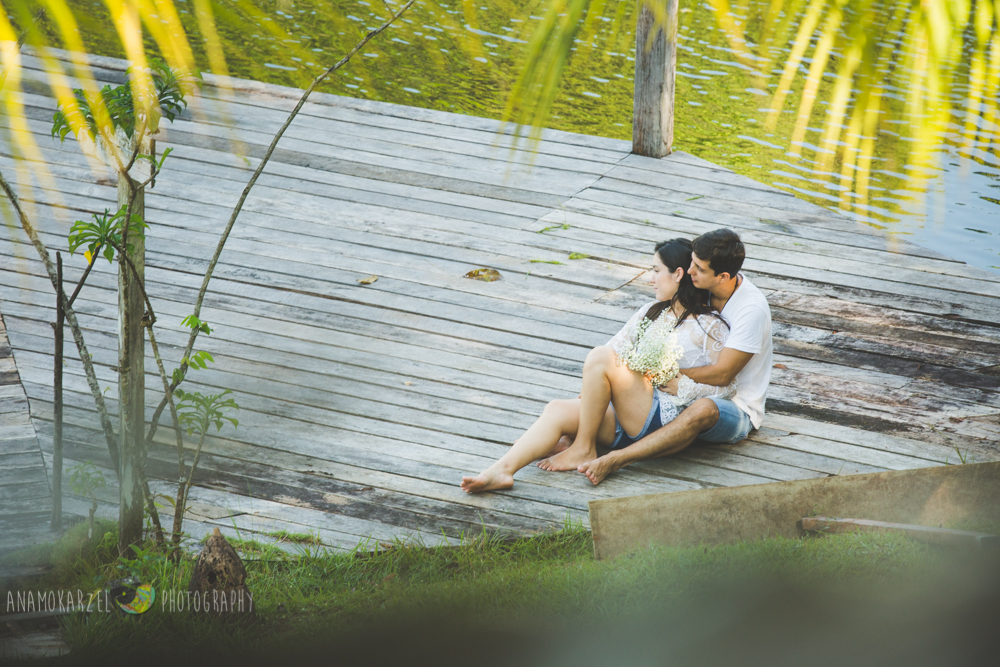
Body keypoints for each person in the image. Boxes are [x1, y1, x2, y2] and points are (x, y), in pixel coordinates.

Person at [460, 238, 736, 494]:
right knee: (558, 408)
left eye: (655, 270)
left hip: (660, 421)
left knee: (601, 356)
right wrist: (591, 394)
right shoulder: (649, 311)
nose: (650, 279)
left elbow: (728, 387)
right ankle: (501, 471)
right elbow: (613, 353)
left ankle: (582, 447)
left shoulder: (709, 326)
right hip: (625, 413)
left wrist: (681, 386)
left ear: (678, 274)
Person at [577, 228, 773, 486]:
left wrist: (658, 375)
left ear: (723, 276)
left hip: (735, 405)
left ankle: (618, 459)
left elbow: (723, 373)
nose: (690, 272)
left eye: (699, 269)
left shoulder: (751, 309)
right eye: (691, 263)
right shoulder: (703, 287)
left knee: (702, 409)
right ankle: (578, 440)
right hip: (681, 392)